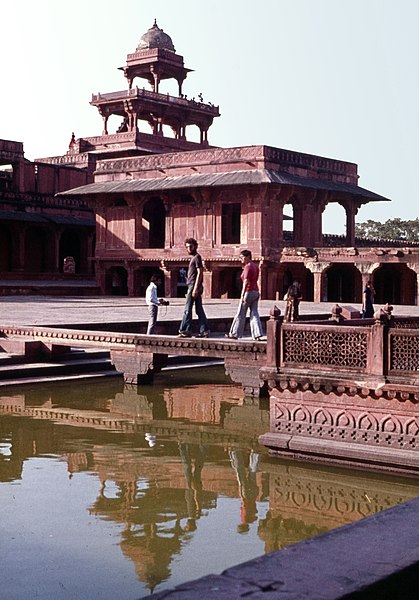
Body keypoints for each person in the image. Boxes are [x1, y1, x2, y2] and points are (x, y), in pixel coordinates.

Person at [225, 250, 264, 340]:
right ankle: (257, 334)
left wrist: (242, 294)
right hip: (256, 291)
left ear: (247, 257)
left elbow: (246, 281)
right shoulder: (255, 266)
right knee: (254, 314)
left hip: (248, 291)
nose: (241, 259)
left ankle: (234, 333)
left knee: (241, 313)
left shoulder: (248, 267)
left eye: (242, 257)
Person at [178, 238, 210, 338]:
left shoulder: (197, 257)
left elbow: (200, 272)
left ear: (195, 246)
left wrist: (195, 288)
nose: (188, 249)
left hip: (193, 286)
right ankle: (204, 330)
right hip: (193, 285)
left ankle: (185, 330)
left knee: (187, 309)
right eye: (187, 247)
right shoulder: (194, 258)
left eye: (190, 246)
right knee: (199, 309)